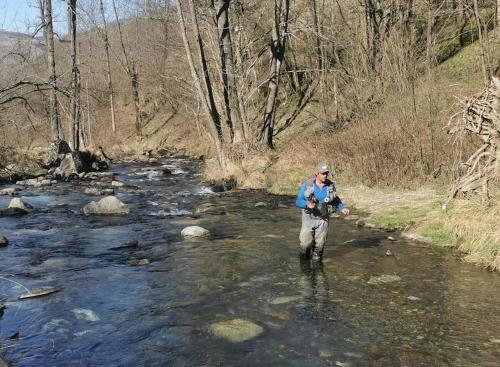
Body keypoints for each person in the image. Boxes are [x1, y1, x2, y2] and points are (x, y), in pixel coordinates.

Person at [295, 163, 350, 261]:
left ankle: (317, 265)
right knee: (305, 244)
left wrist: (342, 208)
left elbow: (336, 199)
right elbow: (298, 201)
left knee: (320, 245)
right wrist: (307, 204)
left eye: (327, 173)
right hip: (309, 218)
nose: (326, 175)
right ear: (316, 174)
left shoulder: (330, 186)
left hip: (323, 218)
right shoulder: (307, 185)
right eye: (323, 173)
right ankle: (305, 268)